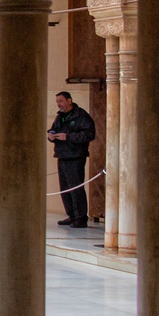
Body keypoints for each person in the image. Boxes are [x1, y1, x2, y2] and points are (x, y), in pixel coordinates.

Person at [48, 90, 96, 228]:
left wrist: (68, 137)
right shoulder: (60, 117)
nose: (59, 104)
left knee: (76, 187)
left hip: (75, 157)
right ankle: (71, 215)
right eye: (57, 102)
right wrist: (51, 136)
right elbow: (54, 130)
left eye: (61, 101)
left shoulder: (81, 116)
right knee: (65, 188)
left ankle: (81, 218)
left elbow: (89, 135)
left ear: (69, 101)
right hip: (62, 155)